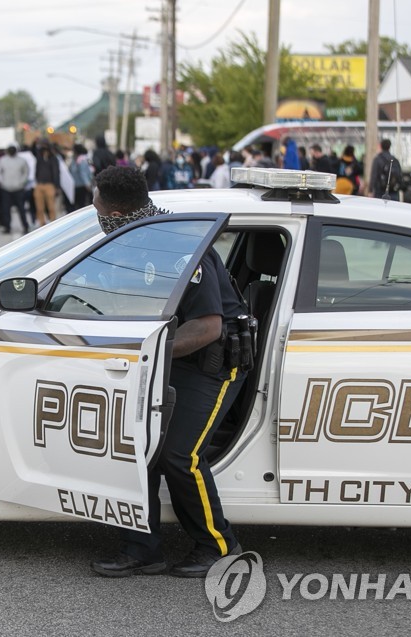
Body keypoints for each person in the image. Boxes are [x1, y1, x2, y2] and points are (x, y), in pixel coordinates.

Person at [89, 166, 245, 579]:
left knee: (180, 455)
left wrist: (149, 355)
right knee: (136, 448)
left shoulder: (179, 247)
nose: (94, 209)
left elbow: (208, 327)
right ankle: (143, 549)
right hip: (166, 361)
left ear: (113, 211)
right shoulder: (134, 238)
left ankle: (220, 547)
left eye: (96, 202)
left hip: (212, 363)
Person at [0, 145, 29, 234]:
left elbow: (25, 172)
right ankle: (7, 226)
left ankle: (25, 226)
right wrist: (2, 182)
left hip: (18, 188)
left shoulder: (21, 161)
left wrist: (22, 182)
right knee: (6, 209)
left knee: (21, 208)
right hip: (6, 188)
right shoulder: (3, 160)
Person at [33, 139, 61, 226]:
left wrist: (57, 186)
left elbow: (56, 172)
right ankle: (42, 222)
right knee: (39, 207)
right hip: (40, 184)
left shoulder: (53, 158)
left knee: (51, 206)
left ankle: (53, 222)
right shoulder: (39, 157)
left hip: (50, 184)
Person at [69, 144, 93, 210]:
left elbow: (83, 173)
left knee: (80, 205)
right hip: (78, 185)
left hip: (80, 185)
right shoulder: (83, 158)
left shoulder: (80, 159)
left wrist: (87, 184)